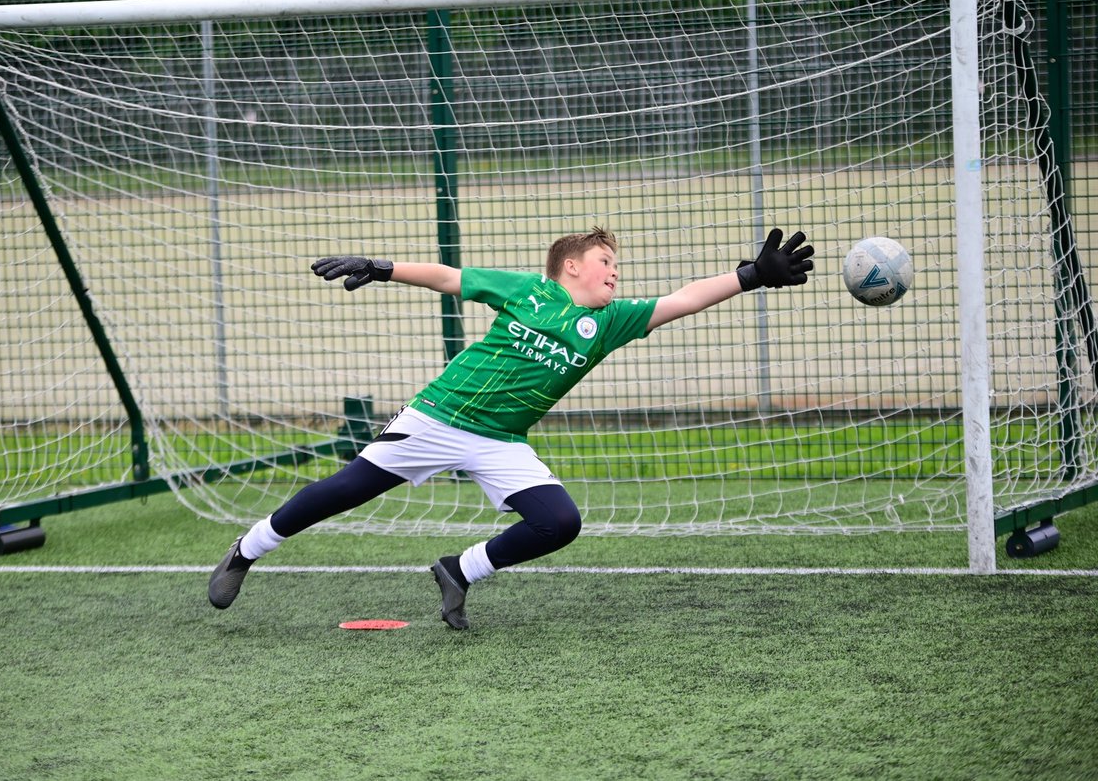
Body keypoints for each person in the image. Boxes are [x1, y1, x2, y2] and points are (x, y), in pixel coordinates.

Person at [209, 226, 814, 629]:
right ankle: (249, 548)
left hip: (501, 441)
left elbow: (682, 299)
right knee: (345, 490)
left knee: (559, 522)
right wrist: (380, 266)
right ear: (569, 266)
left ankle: (461, 569)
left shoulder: (611, 322)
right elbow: (451, 277)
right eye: (607, 263)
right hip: (440, 416)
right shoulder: (527, 290)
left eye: (618, 267)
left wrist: (750, 276)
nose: (616, 275)